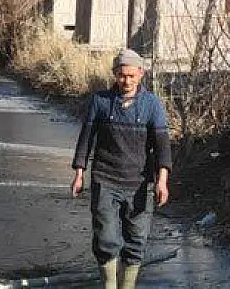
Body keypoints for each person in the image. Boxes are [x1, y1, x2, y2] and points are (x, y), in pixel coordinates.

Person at [70, 49, 172, 289]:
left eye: (131, 76)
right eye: (121, 75)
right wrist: (79, 173)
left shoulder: (152, 105)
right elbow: (86, 138)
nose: (126, 81)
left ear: (141, 74)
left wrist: (162, 180)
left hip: (139, 184)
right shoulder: (101, 101)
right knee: (106, 238)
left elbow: (161, 146)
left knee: (136, 240)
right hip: (105, 179)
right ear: (115, 74)